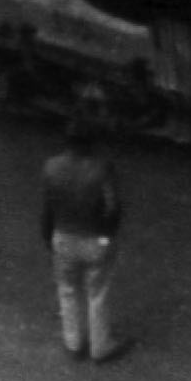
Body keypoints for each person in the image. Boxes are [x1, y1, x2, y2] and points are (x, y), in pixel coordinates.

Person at [40, 114, 127, 361]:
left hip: (63, 236)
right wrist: (107, 236)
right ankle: (101, 346)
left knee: (66, 290)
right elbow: (113, 208)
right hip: (94, 239)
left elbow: (47, 208)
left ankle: (74, 342)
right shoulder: (102, 169)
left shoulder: (51, 167)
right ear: (92, 142)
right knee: (97, 293)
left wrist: (49, 238)